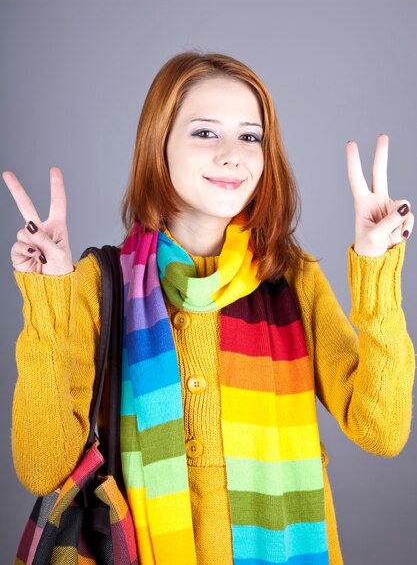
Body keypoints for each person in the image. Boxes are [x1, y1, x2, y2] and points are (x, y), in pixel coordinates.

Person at [2, 51, 415, 565]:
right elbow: (43, 466)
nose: (232, 154)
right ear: (160, 144)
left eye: (250, 135)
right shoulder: (97, 285)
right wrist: (47, 298)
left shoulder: (291, 278)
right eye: (204, 133)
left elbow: (382, 430)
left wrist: (377, 269)